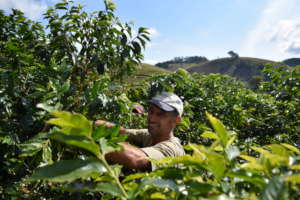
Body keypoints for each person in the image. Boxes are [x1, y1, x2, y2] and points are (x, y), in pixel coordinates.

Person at [95, 92, 185, 171]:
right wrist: (93, 125)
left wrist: (94, 139)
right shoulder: (149, 135)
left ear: (176, 120)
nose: (152, 118)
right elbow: (122, 132)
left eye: (160, 114)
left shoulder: (172, 149)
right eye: (151, 111)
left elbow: (137, 159)